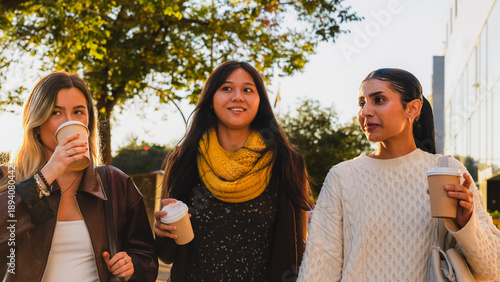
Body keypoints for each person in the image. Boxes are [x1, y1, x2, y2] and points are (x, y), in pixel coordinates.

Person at [298, 68, 500, 281]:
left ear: (412, 108)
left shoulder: (448, 170)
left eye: (379, 100)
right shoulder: (342, 177)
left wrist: (466, 224)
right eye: (361, 103)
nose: (365, 111)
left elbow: (493, 270)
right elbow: (318, 267)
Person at [154, 61, 313, 281]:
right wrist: (163, 232)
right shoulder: (185, 158)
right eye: (226, 88)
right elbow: (168, 254)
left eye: (248, 90)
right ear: (211, 100)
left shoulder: (286, 161)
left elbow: (294, 254)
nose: (237, 96)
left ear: (260, 102)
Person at [0, 72, 158, 281]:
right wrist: (46, 174)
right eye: (56, 112)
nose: (69, 121)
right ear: (37, 122)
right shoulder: (7, 179)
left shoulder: (114, 183)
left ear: (88, 121)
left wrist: (131, 266)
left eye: (78, 112)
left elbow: (146, 256)